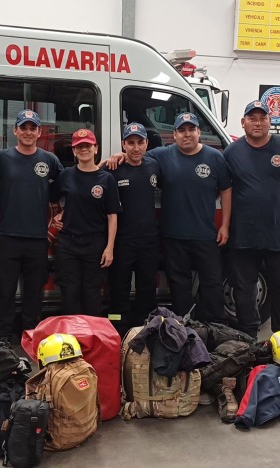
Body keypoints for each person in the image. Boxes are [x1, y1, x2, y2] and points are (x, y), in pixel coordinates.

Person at [108, 112, 232, 324]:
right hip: (172, 236)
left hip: (206, 235)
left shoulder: (215, 158)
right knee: (178, 286)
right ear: (173, 134)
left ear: (199, 132)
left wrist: (226, 226)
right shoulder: (161, 156)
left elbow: (226, 190)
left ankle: (215, 329)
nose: (187, 134)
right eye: (181, 130)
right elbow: (134, 158)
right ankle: (181, 328)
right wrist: (114, 157)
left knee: (212, 284)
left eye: (191, 129)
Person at [223, 100, 280, 335]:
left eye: (263, 118)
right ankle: (248, 337)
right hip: (243, 236)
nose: (258, 123)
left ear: (270, 122)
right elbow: (223, 189)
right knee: (243, 290)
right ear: (243, 123)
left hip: (279, 236)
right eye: (252, 118)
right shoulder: (232, 152)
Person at [0, 110, 64, 341]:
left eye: (32, 128)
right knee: (5, 292)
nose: (28, 132)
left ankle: (31, 336)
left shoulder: (49, 160)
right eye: (23, 127)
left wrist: (60, 208)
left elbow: (68, 183)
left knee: (34, 293)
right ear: (15, 131)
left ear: (39, 132)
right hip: (9, 237)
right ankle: (2, 339)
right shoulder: (1, 157)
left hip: (38, 239)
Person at [51, 129, 121, 316]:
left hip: (95, 244)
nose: (84, 150)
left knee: (92, 295)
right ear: (74, 151)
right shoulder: (66, 175)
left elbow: (112, 215)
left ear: (96, 148)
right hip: (68, 244)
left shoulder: (106, 179)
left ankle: (91, 340)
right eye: (79, 147)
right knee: (69, 294)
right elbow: (51, 197)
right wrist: (59, 213)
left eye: (88, 146)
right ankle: (72, 340)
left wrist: (109, 248)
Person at [104, 123, 160, 332]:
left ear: (147, 144)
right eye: (131, 143)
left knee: (147, 291)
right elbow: (89, 172)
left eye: (140, 142)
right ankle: (117, 331)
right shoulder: (113, 168)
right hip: (122, 242)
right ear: (123, 145)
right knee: (119, 291)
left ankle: (142, 332)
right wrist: (107, 159)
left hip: (148, 241)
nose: (136, 148)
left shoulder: (155, 166)